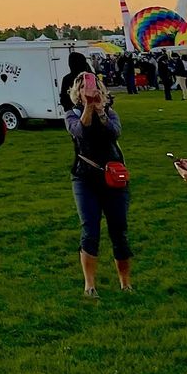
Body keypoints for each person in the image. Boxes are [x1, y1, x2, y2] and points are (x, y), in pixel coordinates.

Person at [65, 71, 132, 296]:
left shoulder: (111, 114)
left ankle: (125, 283)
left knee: (119, 230)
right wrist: (88, 108)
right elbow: (80, 132)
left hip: (113, 178)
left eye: (92, 86)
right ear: (78, 92)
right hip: (85, 178)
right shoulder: (71, 114)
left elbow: (115, 133)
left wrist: (101, 110)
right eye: (83, 87)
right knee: (90, 229)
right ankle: (90, 285)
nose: (89, 90)